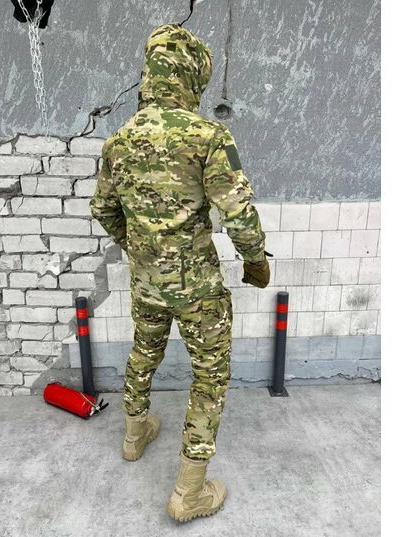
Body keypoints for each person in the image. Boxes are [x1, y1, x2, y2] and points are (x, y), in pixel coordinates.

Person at [90, 23, 270, 522]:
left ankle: (134, 435)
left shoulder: (118, 142)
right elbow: (238, 213)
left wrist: (140, 248)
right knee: (209, 374)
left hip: (146, 282)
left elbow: (102, 209)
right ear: (191, 75)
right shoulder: (207, 136)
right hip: (198, 289)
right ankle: (189, 492)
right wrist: (255, 261)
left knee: (144, 351)